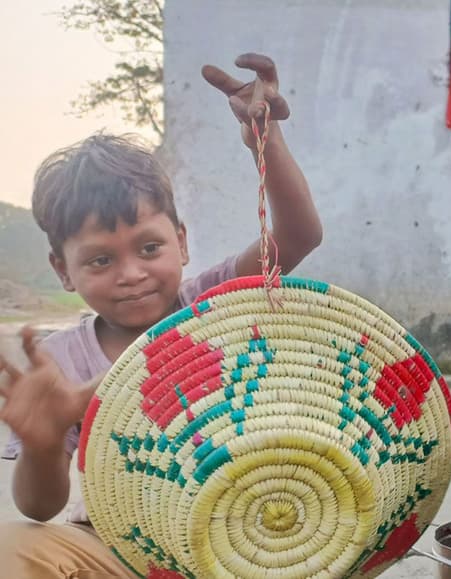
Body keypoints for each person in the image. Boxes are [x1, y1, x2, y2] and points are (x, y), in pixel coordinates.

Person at [0, 53, 322, 577]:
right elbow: (39, 509)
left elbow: (300, 236)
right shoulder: (60, 362)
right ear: (63, 270)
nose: (130, 273)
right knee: (12, 548)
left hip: (244, 538)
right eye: (101, 260)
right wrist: (42, 444)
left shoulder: (214, 302)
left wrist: (267, 141)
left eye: (149, 248)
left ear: (182, 242)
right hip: (115, 547)